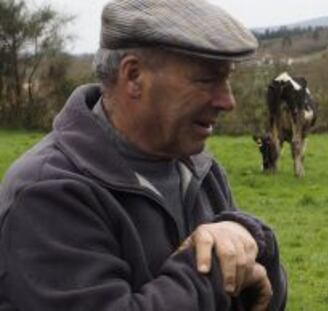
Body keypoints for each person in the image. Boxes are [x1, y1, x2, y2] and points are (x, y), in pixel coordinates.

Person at [0, 0, 287, 310]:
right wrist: (216, 265)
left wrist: (253, 241)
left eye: (227, 79)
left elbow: (265, 299)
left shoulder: (202, 171)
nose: (227, 101)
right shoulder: (47, 193)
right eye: (207, 79)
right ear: (134, 76)